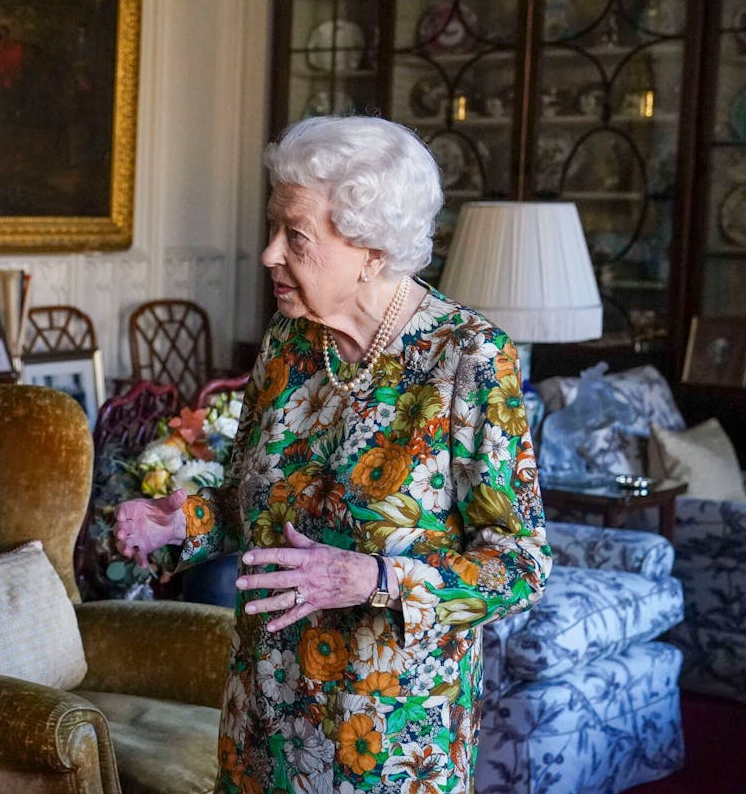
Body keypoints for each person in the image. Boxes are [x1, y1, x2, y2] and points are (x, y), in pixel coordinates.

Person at [114, 115, 550, 793]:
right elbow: (249, 501)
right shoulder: (290, 343)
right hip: (263, 719)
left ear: (372, 250)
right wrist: (182, 523)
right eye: (273, 227)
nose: (267, 255)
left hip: (389, 739)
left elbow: (519, 565)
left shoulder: (468, 359)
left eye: (294, 235)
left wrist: (373, 578)